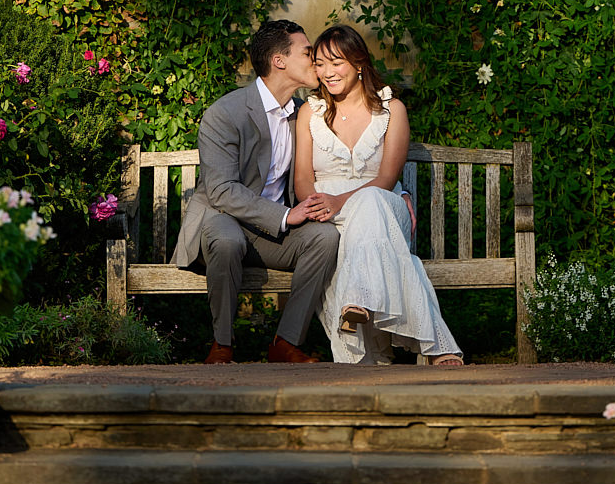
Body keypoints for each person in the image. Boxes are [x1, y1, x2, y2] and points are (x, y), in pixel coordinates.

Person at [171, 20, 340, 364]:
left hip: (271, 234)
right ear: (279, 60)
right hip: (223, 220)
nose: (316, 60)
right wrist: (283, 215)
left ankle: (286, 341)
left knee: (325, 238)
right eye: (308, 53)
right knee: (227, 239)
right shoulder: (225, 113)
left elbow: (347, 162)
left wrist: (396, 192)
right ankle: (222, 344)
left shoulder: (305, 115)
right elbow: (220, 190)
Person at [294, 24, 463, 366]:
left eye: (336, 63)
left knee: (370, 203)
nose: (327, 73)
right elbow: (302, 181)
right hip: (330, 218)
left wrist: (341, 200)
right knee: (349, 237)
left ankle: (358, 299)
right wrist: (320, 207)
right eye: (320, 65)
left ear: (358, 63)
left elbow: (386, 179)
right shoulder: (309, 114)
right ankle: (436, 347)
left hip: (383, 206)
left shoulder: (391, 110)